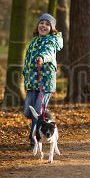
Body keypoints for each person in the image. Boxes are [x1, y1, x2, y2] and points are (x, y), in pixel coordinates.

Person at [22, 13, 63, 147]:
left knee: (37, 113)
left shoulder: (50, 41)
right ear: (38, 25)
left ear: (51, 28)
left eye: (47, 24)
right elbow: (28, 59)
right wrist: (25, 71)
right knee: (29, 111)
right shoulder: (34, 41)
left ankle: (34, 139)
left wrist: (42, 58)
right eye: (41, 23)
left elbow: (49, 53)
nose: (43, 26)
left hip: (44, 82)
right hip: (31, 82)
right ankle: (48, 121)